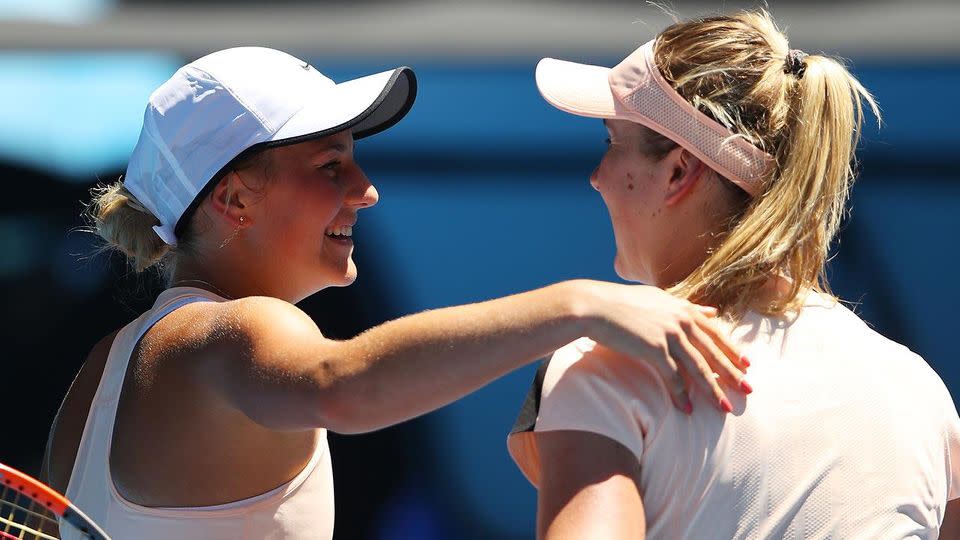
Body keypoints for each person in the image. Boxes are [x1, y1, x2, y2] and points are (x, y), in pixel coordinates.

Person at [41, 47, 750, 539]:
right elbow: (342, 385)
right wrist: (582, 303)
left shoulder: (100, 373)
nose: (366, 191)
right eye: (329, 165)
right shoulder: (236, 331)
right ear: (233, 198)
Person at [507, 9, 960, 539]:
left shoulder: (609, 368)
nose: (596, 177)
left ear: (679, 169)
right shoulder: (918, 390)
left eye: (612, 143)